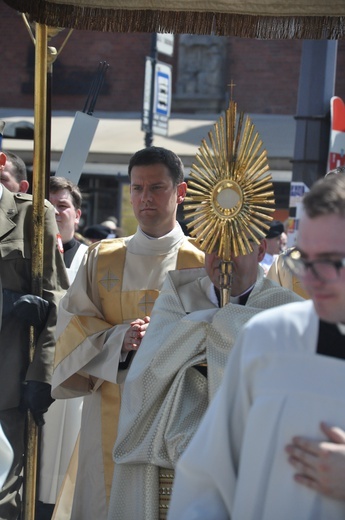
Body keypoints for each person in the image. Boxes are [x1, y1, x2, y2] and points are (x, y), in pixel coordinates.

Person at [168, 172, 345, 520]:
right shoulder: (267, 337)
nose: (309, 280)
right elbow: (207, 478)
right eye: (304, 260)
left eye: (329, 261)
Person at [51, 146, 205, 520]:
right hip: (108, 407)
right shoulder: (101, 257)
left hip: (173, 415)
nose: (145, 198)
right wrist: (120, 340)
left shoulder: (202, 263)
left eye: (157, 187)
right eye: (137, 188)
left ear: (180, 192)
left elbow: (217, 339)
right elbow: (71, 324)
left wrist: (169, 338)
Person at [107, 236, 302, 520]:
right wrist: (207, 327)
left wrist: (222, 324)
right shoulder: (177, 296)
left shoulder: (286, 309)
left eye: (235, 247)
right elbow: (144, 377)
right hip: (169, 464)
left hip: (249, 464)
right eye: (213, 247)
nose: (223, 257)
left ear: (260, 250)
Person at [0, 152, 69, 519]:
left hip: (7, 386)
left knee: (6, 502)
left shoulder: (32, 215)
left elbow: (59, 299)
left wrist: (42, 375)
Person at [37, 176, 89, 519]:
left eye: (63, 206)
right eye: (49, 206)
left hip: (74, 377)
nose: (56, 213)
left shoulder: (92, 259)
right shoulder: (32, 255)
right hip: (34, 376)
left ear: (77, 214)